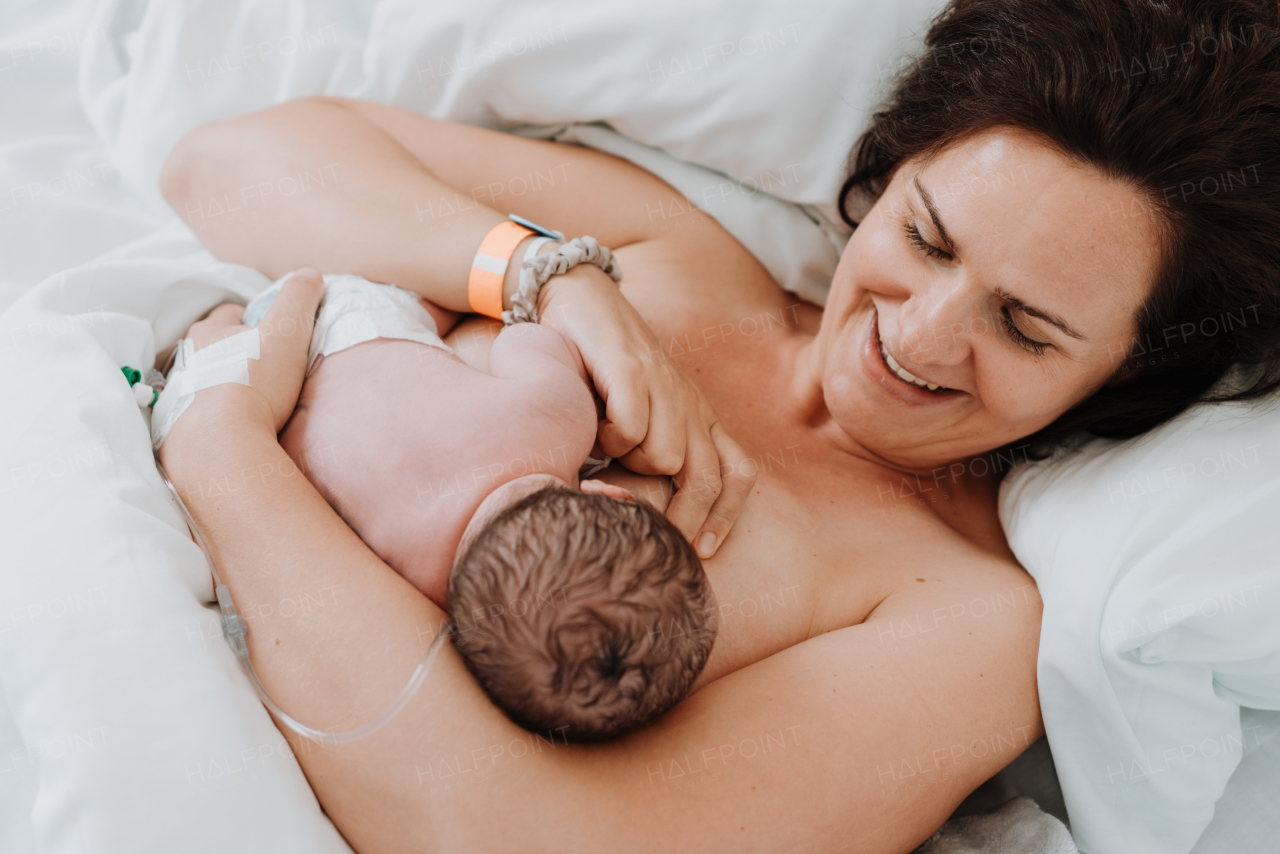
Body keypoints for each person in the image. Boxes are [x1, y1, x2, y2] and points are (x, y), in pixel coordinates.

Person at [155, 0, 1280, 851]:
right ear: (886, 176)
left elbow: (527, 838)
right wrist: (542, 277)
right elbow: (229, 163)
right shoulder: (677, 263)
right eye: (926, 238)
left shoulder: (962, 618)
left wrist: (221, 450)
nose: (921, 337)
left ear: (1125, 375)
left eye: (1025, 327)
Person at [241, 271, 718, 742]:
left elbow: (524, 338)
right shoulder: (414, 584)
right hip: (268, 393)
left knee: (446, 301)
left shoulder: (557, 421)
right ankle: (221, 322)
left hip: (353, 315)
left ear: (612, 493)